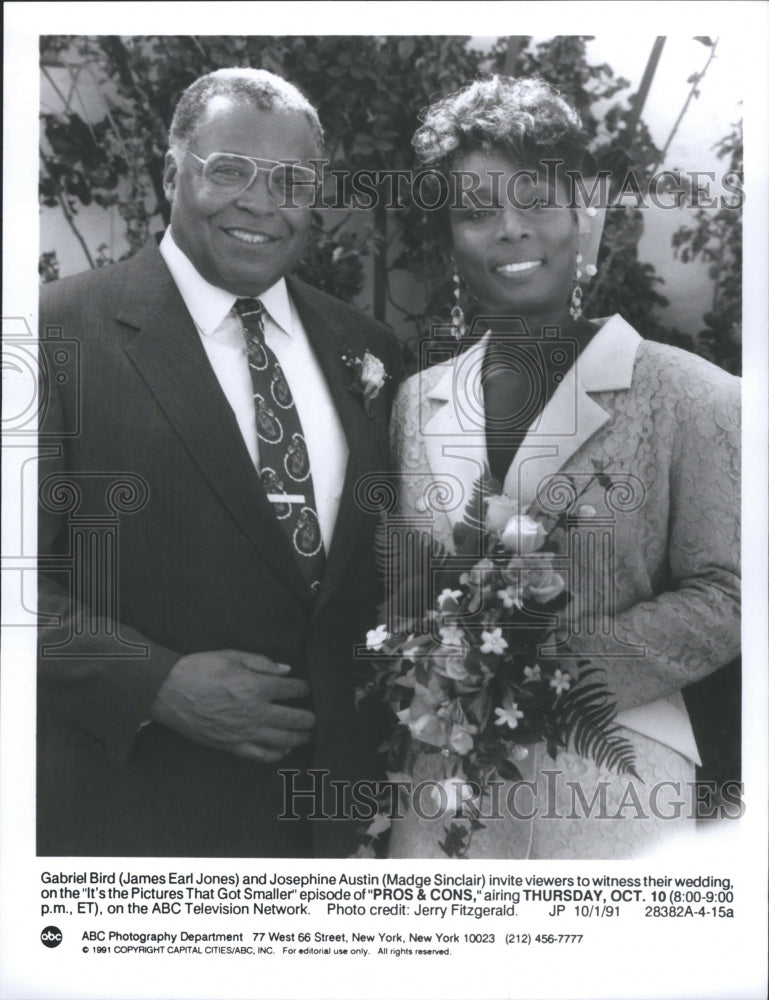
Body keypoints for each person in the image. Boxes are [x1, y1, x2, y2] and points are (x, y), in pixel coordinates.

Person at [37, 68, 401, 858]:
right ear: (173, 172)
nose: (262, 203)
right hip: (140, 823)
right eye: (229, 169)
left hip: (341, 832)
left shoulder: (368, 350)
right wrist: (152, 685)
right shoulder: (52, 336)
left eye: (292, 180)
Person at [387, 76, 740, 858]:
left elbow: (730, 594)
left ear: (583, 213)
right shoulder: (415, 403)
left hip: (611, 789)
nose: (509, 231)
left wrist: (540, 671)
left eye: (536, 201)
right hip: (441, 795)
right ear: (451, 237)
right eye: (477, 211)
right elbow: (407, 587)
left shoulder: (693, 396)